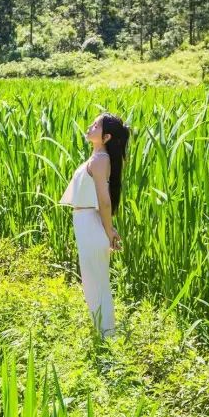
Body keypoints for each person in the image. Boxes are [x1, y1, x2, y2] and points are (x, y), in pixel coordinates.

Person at [58, 112, 130, 337]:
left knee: (96, 286)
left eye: (96, 125)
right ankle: (104, 334)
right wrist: (107, 229)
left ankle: (107, 336)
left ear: (106, 137)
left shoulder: (100, 160)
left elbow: (104, 201)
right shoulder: (97, 158)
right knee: (93, 284)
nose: (90, 127)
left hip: (90, 224)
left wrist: (108, 231)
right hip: (88, 223)